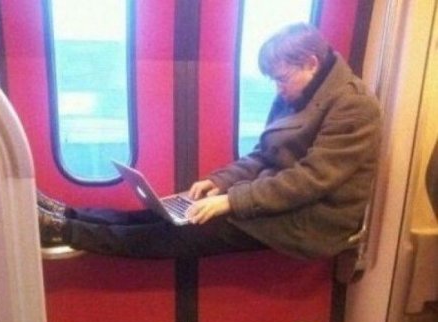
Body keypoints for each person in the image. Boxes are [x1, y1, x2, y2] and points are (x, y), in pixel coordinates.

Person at [39, 22, 382, 260]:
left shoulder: (354, 105)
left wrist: (230, 201)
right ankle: (70, 217)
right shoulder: (297, 92)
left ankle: (65, 232)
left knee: (179, 232)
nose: (277, 88)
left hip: (312, 219)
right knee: (170, 214)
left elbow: (310, 180)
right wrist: (221, 182)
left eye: (281, 78)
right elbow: (263, 155)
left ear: (311, 63)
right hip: (276, 200)